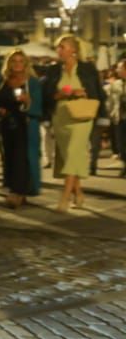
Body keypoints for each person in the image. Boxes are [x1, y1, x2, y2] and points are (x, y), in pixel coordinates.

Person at [42, 34, 104, 211]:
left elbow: (98, 93)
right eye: (58, 47)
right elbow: (48, 95)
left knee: (74, 152)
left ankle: (65, 198)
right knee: (69, 156)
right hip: (61, 117)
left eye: (62, 47)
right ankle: (79, 193)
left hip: (82, 117)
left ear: (74, 50)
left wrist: (84, 94)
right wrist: (64, 94)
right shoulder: (54, 70)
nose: (59, 51)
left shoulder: (87, 68)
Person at [0, 51, 44, 207]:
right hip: (6, 125)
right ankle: (14, 189)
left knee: (22, 158)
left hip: (25, 125)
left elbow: (38, 105)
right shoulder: (3, 81)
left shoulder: (32, 82)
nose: (17, 64)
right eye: (14, 61)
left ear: (26, 64)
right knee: (9, 157)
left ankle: (19, 192)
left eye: (21, 61)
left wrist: (27, 101)